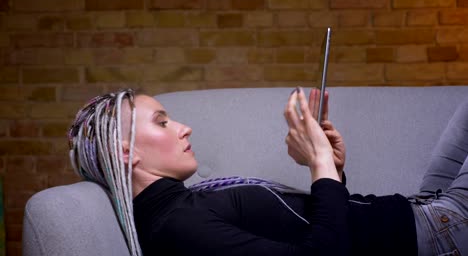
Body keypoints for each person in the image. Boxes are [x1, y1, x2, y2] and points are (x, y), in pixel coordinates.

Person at [67, 87, 468, 256]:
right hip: (437, 232)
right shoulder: (179, 226)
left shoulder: (184, 207)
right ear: (125, 154)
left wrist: (335, 172)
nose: (183, 127)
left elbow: (322, 229)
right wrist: (319, 166)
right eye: (162, 121)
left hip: (420, 209)